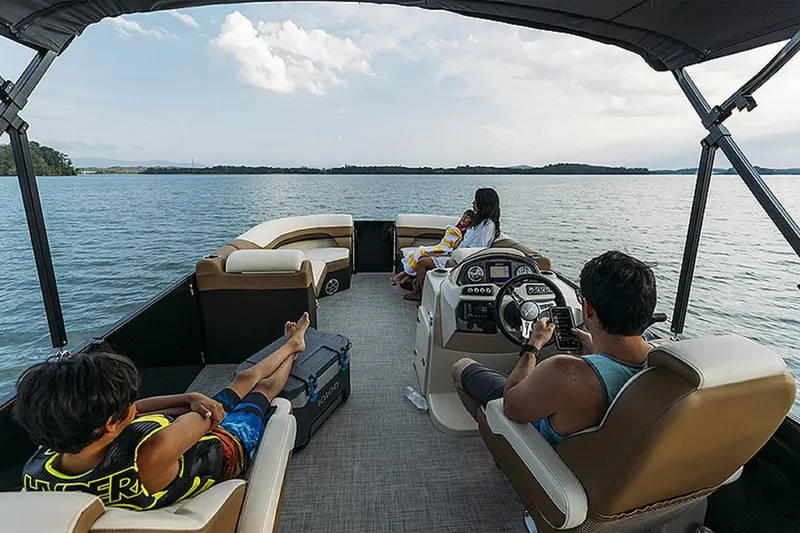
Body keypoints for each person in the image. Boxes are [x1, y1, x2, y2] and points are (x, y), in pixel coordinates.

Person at [15, 312, 310, 510]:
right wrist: (192, 402)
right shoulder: (151, 453)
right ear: (109, 424)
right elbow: (213, 415)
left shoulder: (47, 457)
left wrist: (189, 397)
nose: (135, 402)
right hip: (223, 448)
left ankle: (289, 345)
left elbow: (139, 410)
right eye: (126, 401)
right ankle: (294, 346)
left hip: (186, 435)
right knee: (258, 390)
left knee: (237, 384)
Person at [451, 251, 657, 446]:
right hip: (600, 456)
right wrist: (597, 350)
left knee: (461, 367)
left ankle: (498, 445)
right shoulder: (662, 361)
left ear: (588, 309)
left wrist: (534, 344)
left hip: (543, 454)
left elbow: (510, 406)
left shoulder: (564, 371)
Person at [404, 188, 501, 301]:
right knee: (423, 255)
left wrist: (450, 255)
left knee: (422, 262)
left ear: (483, 203)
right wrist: (447, 253)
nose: (473, 203)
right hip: (457, 256)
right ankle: (418, 289)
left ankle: (418, 294)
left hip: (462, 261)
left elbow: (476, 250)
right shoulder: (480, 222)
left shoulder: (487, 225)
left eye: (476, 201)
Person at [391, 209, 474, 286]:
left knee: (421, 252)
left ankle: (405, 274)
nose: (464, 218)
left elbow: (453, 247)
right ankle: (408, 275)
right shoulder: (455, 228)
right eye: (463, 216)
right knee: (417, 251)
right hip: (442, 246)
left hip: (447, 250)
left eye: (467, 218)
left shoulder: (465, 232)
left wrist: (442, 253)